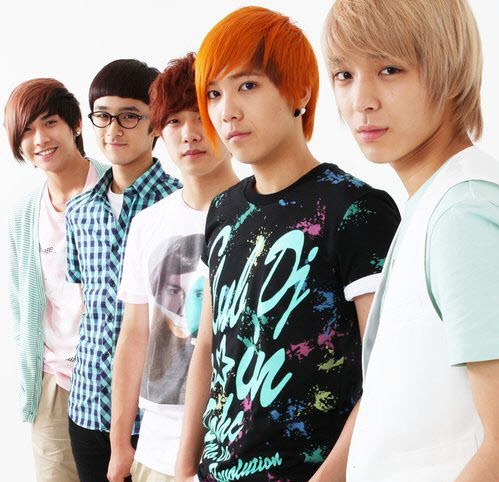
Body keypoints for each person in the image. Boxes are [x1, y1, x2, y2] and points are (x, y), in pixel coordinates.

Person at [175, 6, 400, 481]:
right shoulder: (224, 209)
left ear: (300, 92)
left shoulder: (355, 209)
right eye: (214, 93)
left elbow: (388, 374)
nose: (226, 111)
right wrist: (183, 469)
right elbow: (209, 344)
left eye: (247, 85)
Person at [322, 0, 499, 480]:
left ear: (450, 73)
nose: (361, 100)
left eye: (389, 69)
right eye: (344, 75)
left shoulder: (461, 215)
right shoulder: (437, 201)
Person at [107, 53, 238, 482]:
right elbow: (133, 335)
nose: (189, 134)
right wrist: (120, 443)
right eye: (175, 121)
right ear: (159, 132)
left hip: (235, 442)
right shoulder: (148, 223)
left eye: (200, 116)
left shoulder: (260, 215)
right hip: (156, 448)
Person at [65, 59, 181, 482]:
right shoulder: (78, 211)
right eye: (103, 115)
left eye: (130, 116)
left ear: (155, 125)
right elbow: (87, 305)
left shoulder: (178, 204)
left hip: (155, 416)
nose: (113, 129)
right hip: (86, 406)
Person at [5, 78, 108, 482]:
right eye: (27, 131)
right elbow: (21, 305)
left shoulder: (117, 191)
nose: (40, 139)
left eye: (49, 123)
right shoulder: (24, 215)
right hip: (54, 383)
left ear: (76, 124)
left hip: (113, 378)